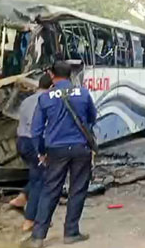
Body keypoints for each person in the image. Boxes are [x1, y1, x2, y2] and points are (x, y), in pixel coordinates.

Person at [21, 61, 97, 248]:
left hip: (55, 150)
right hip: (81, 149)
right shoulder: (84, 93)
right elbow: (92, 118)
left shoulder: (45, 98)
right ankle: (71, 233)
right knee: (77, 189)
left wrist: (41, 152)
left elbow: (36, 131)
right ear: (70, 75)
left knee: (50, 191)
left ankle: (38, 237)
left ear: (52, 76)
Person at [14, 74, 53, 231]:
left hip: (21, 142)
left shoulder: (27, 100)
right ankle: (30, 219)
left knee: (36, 172)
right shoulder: (47, 101)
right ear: (51, 87)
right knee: (42, 180)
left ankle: (22, 197)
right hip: (34, 142)